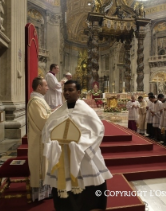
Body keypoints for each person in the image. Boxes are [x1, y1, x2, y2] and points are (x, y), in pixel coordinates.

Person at [42, 80, 113, 211]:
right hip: (62, 156)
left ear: (78, 92)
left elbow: (98, 130)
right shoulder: (58, 112)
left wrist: (80, 146)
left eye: (71, 90)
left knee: (88, 186)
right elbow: (47, 130)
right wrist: (53, 143)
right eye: (65, 90)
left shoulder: (86, 111)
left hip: (83, 155)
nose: (67, 93)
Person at [27, 77, 52, 200]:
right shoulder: (35, 101)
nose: (47, 88)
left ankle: (46, 191)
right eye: (46, 85)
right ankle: (40, 194)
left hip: (43, 139)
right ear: (39, 87)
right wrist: (56, 114)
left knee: (46, 164)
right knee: (40, 166)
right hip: (38, 140)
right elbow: (43, 120)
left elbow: (46, 114)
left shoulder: (40, 100)